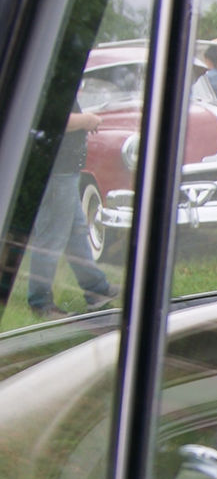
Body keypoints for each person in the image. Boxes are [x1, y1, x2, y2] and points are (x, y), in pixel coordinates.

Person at [28, 101, 117, 318]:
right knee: (52, 237)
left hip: (64, 172)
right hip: (56, 173)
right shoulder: (52, 79)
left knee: (76, 234)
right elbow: (54, 122)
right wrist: (86, 120)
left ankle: (96, 290)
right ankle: (40, 303)